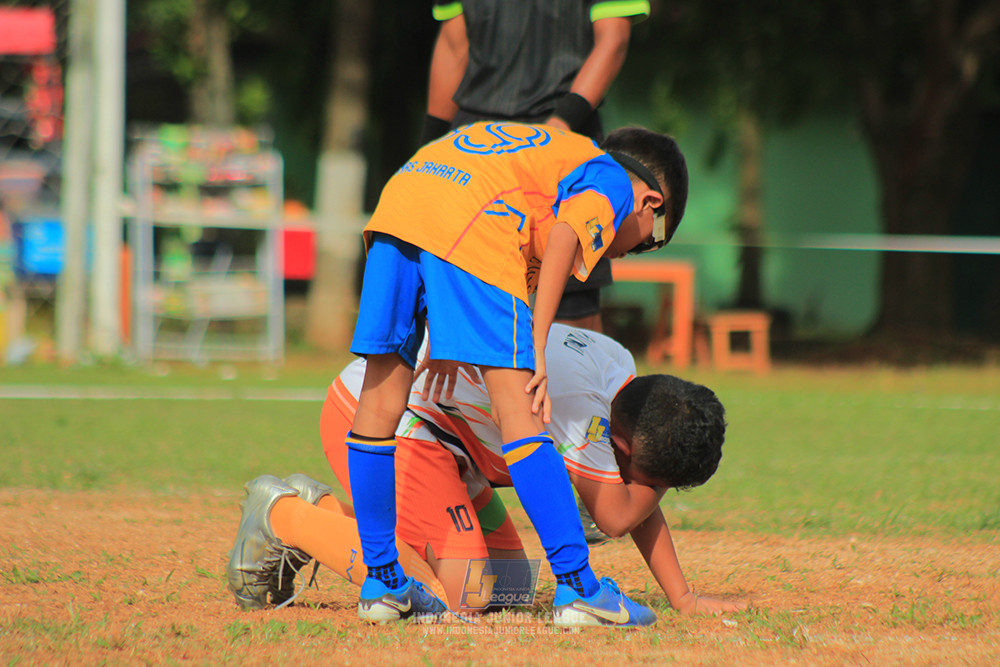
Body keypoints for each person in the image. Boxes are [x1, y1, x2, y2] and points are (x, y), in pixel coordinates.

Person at [271, 120, 684, 627]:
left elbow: (461, 197)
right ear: (651, 204)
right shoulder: (612, 179)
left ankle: (383, 580)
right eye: (646, 243)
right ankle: (581, 589)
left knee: (379, 405)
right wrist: (534, 348)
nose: (621, 253)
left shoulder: (549, 160)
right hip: (472, 222)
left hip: (402, 202)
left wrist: (450, 323)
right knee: (522, 412)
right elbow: (562, 238)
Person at [226, 324, 747, 621]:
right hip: (384, 418)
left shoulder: (627, 382)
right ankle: (284, 515)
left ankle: (324, 514)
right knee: (460, 596)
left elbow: (635, 499)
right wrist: (653, 484)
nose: (647, 493)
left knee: (507, 589)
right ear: (623, 445)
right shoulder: (583, 409)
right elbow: (616, 517)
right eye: (650, 481)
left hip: (452, 446)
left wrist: (684, 598)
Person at [421, 0, 651, 334]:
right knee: (463, 303)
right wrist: (431, 144)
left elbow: (613, 39)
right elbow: (454, 43)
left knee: (572, 313)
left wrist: (563, 120)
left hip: (551, 141)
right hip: (482, 148)